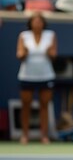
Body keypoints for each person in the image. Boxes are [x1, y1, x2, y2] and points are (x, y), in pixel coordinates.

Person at [16, 13, 57, 144]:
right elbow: (20, 55)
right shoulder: (24, 36)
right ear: (31, 23)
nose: (37, 23)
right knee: (26, 106)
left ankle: (44, 136)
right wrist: (25, 53)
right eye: (35, 21)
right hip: (27, 75)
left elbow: (54, 55)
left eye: (40, 21)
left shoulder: (50, 35)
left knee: (44, 106)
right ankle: (25, 135)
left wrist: (49, 52)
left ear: (43, 23)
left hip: (46, 75)